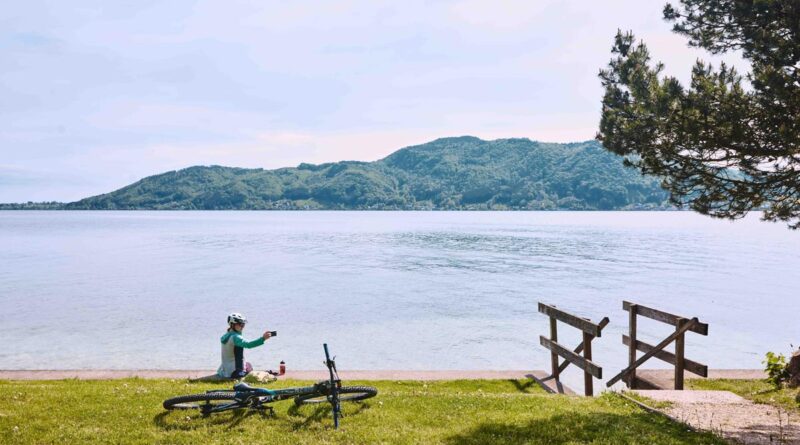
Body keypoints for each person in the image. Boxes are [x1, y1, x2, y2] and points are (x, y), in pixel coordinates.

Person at [217, 312, 271, 379]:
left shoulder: (227, 335)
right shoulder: (236, 337)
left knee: (247, 364)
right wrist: (263, 338)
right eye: (240, 324)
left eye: (243, 324)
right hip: (234, 371)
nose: (242, 326)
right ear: (232, 324)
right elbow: (248, 344)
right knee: (250, 368)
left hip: (225, 370)